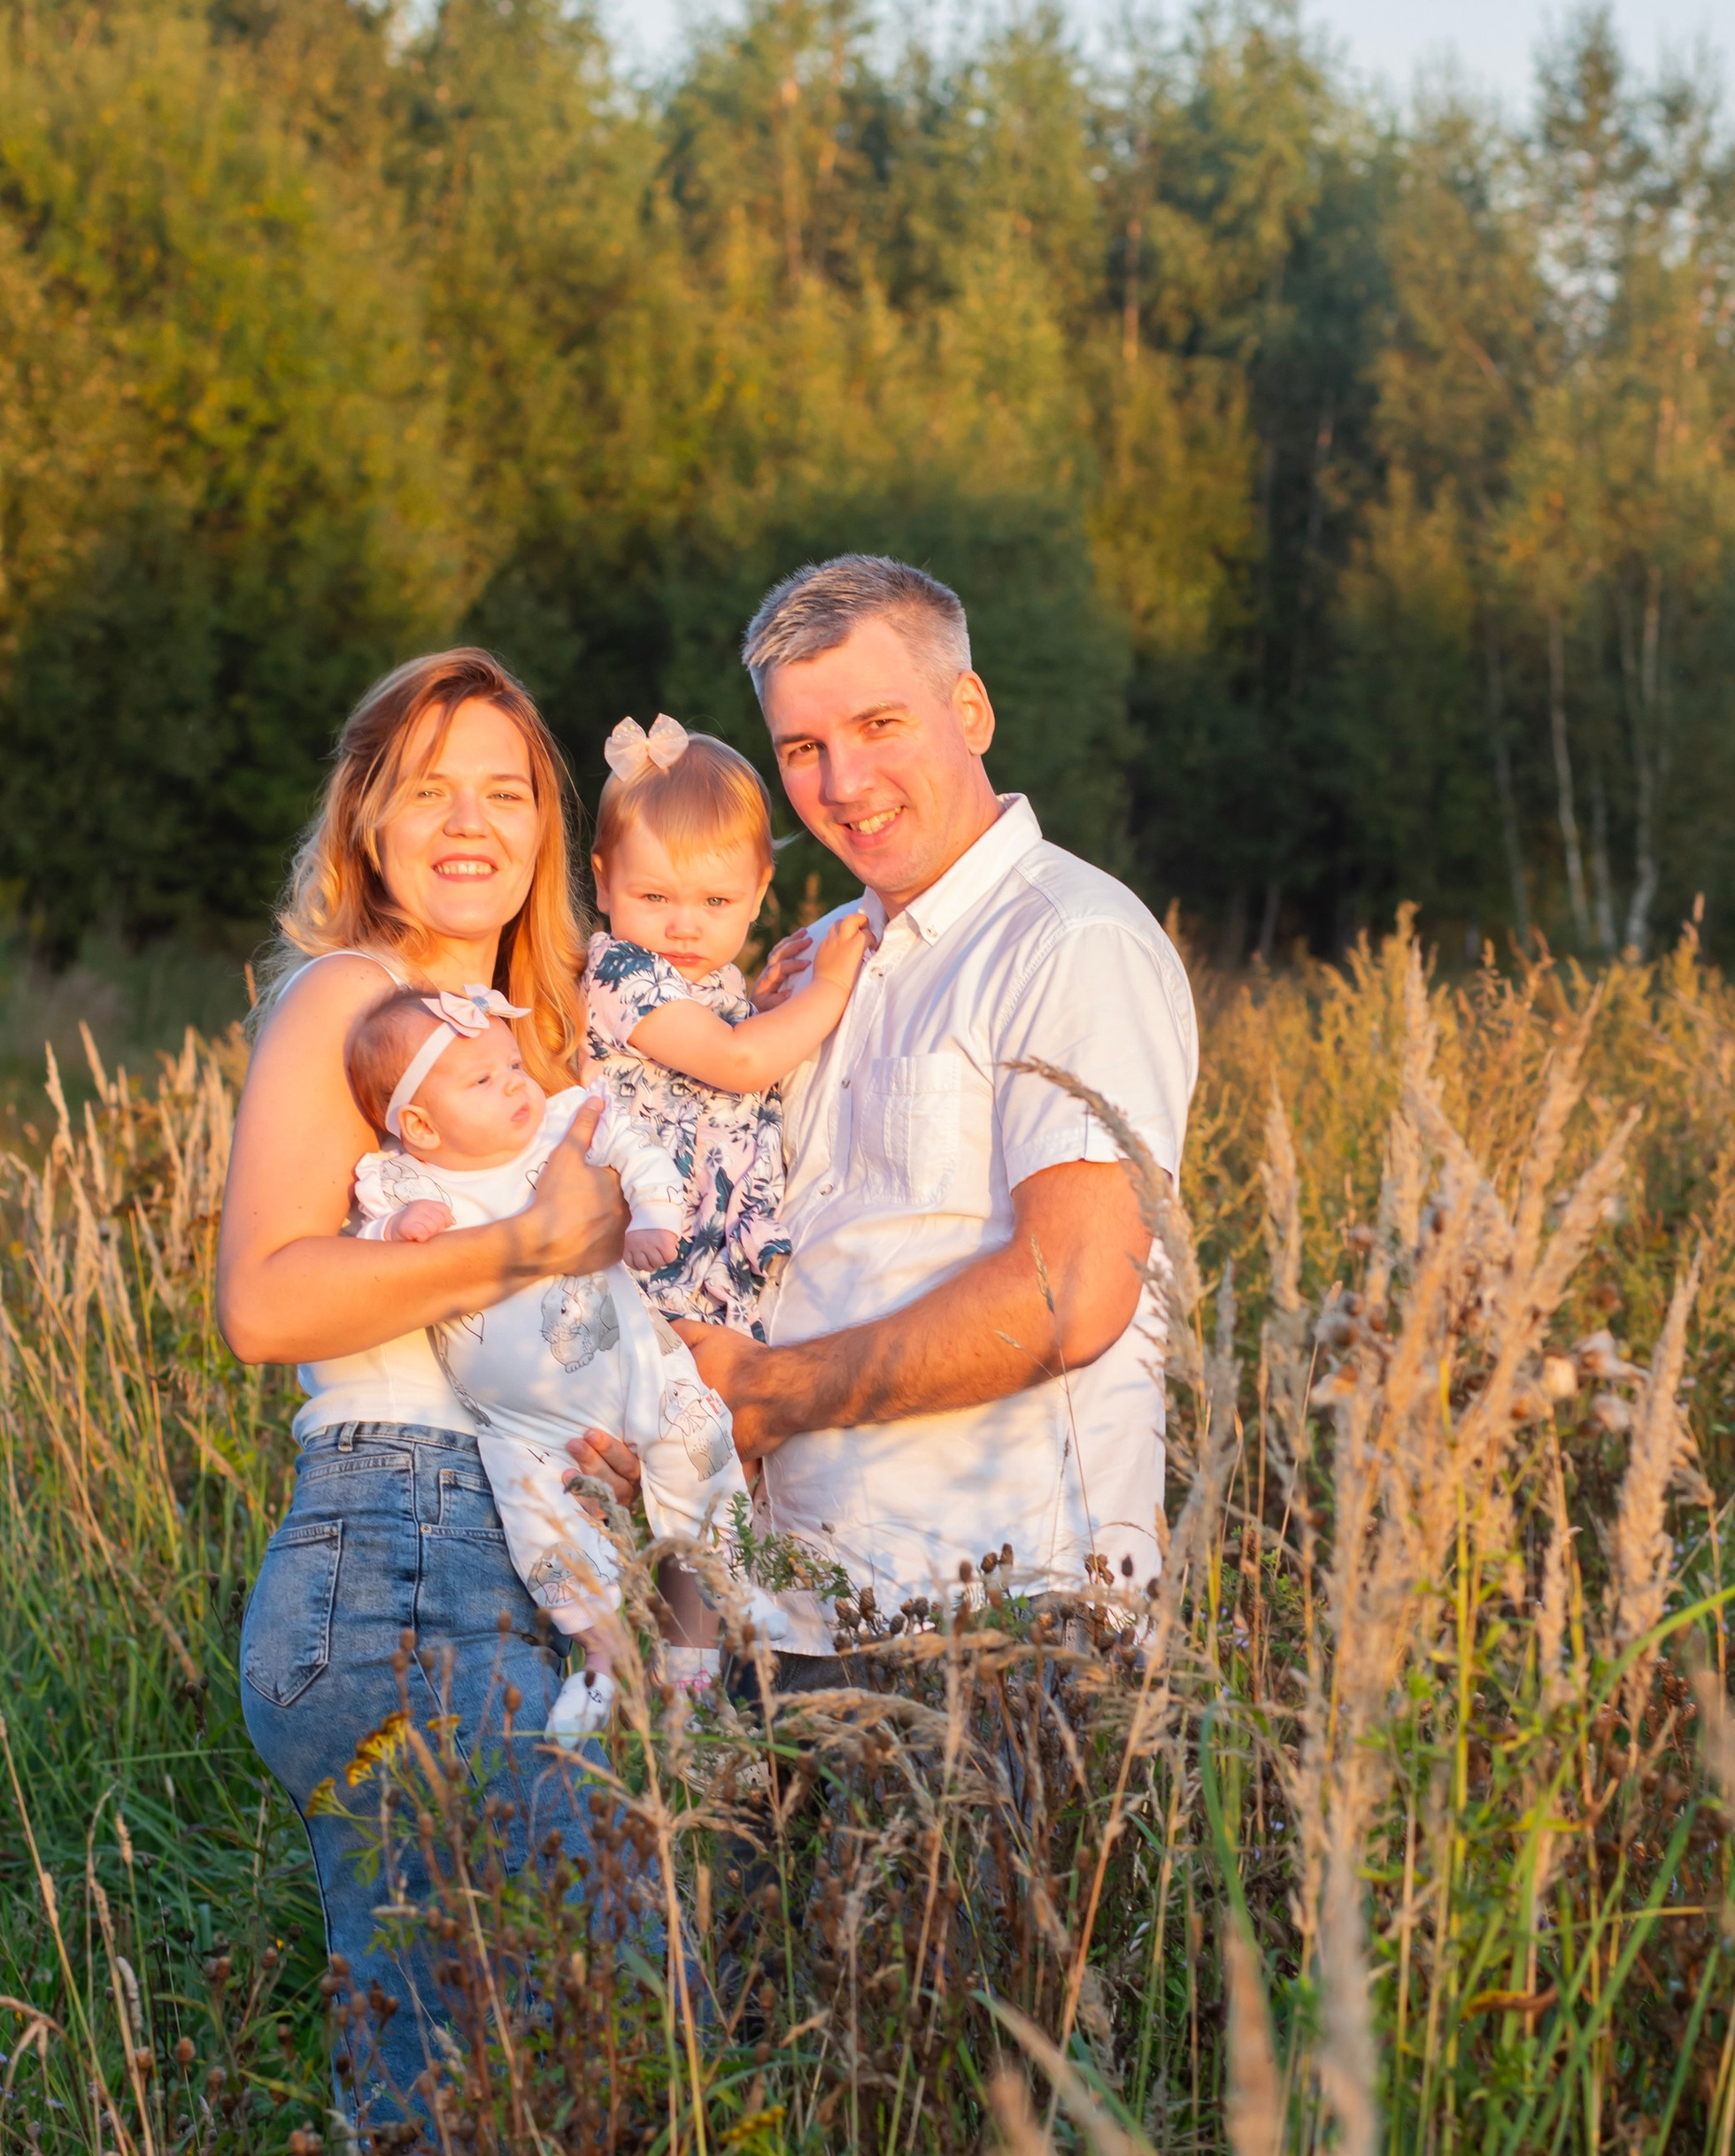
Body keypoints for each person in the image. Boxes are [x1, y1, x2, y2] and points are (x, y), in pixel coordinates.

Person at [612, 554, 1199, 1651]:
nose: (843, 782)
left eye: (879, 724)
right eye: (803, 748)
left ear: (968, 709)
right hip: (785, 1615)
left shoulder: (1068, 940)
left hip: (992, 1627)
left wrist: (763, 1392)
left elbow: (1070, 1287)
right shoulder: (822, 960)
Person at [219, 649, 631, 2112]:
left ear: (544, 829)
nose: (469, 821)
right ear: (370, 826)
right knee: (450, 2080)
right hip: (404, 1543)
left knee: (581, 2038)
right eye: (428, 789)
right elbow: (264, 1299)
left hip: (527, 1548)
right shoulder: (352, 994)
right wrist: (528, 1244)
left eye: (505, 790)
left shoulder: (548, 1032)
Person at [342, 980, 759, 1736]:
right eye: (483, 1080)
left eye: (512, 1064)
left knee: (698, 1467)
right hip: (519, 1425)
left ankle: (694, 1677)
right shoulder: (408, 1179)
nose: (514, 1085)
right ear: (420, 1125)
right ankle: (602, 1660)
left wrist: (654, 1217)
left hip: (637, 1370)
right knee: (540, 1526)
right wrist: (398, 1225)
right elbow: (356, 1257)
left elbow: (639, 1152)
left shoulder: (563, 1126)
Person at [579, 712, 870, 1338]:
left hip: (709, 1263)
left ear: (759, 892)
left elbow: (717, 1051)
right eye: (655, 897)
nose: (686, 925)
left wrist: (757, 1012)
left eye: (716, 902)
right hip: (645, 1261)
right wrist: (826, 989)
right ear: (604, 883)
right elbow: (736, 1062)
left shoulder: (710, 987)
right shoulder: (618, 971)